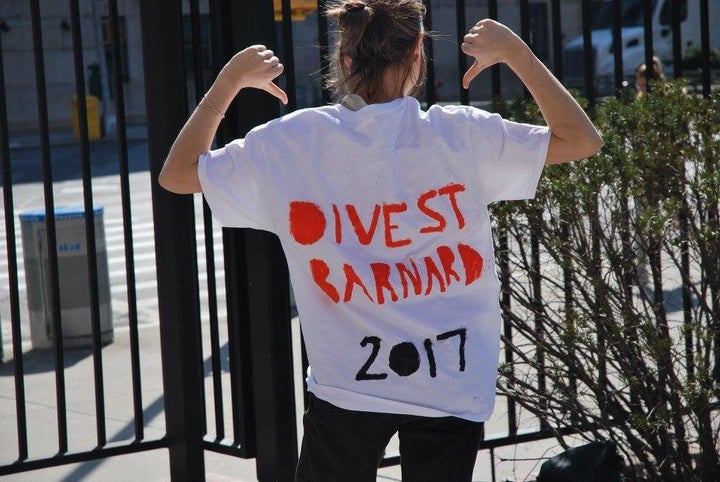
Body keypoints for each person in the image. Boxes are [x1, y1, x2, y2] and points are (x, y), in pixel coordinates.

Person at [159, 0, 603, 480]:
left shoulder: (291, 141)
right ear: (418, 53)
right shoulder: (461, 134)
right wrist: (517, 54)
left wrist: (228, 82)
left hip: (348, 381)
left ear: (344, 60)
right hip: (451, 379)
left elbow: (178, 175)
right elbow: (581, 140)